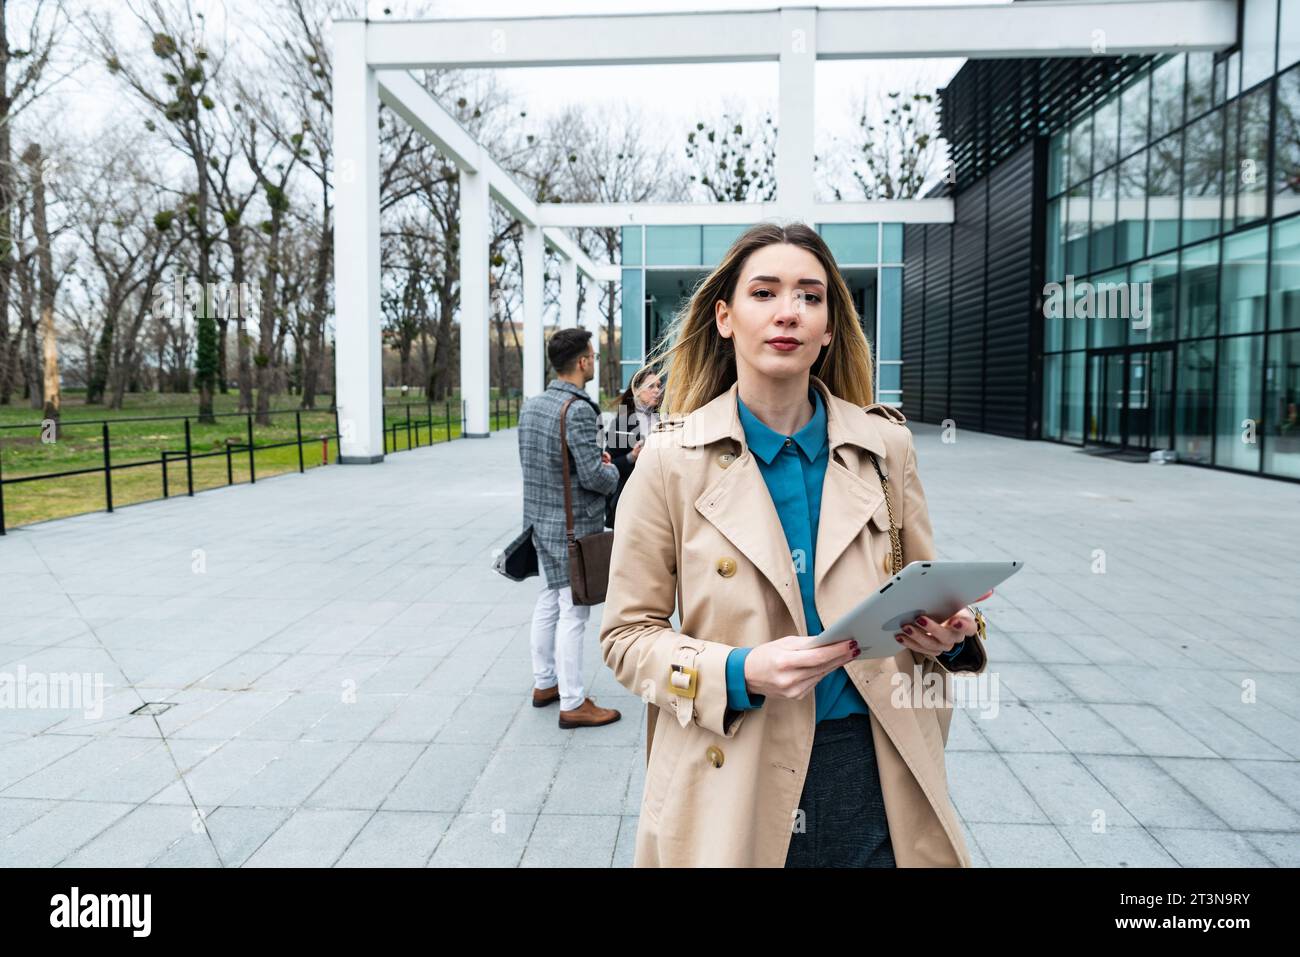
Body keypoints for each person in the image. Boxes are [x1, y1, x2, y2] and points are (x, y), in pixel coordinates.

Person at [599, 221, 990, 867]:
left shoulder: (886, 447)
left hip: (877, 763)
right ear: (725, 316)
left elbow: (927, 587)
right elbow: (625, 636)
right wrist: (738, 670)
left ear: (831, 326)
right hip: (735, 762)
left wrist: (951, 630)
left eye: (811, 296)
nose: (789, 312)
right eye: (765, 292)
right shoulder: (670, 458)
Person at [517, 327, 622, 729]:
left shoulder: (533, 406)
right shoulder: (578, 410)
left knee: (549, 601)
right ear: (582, 362)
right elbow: (594, 477)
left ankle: (545, 682)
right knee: (574, 613)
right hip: (572, 527)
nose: (594, 361)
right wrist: (610, 469)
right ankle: (573, 702)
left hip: (540, 523)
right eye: (593, 356)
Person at [605, 366, 662, 529]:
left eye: (658, 386)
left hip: (657, 497)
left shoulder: (662, 419)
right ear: (636, 390)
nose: (657, 390)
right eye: (651, 386)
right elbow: (609, 465)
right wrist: (632, 456)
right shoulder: (623, 421)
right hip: (630, 498)